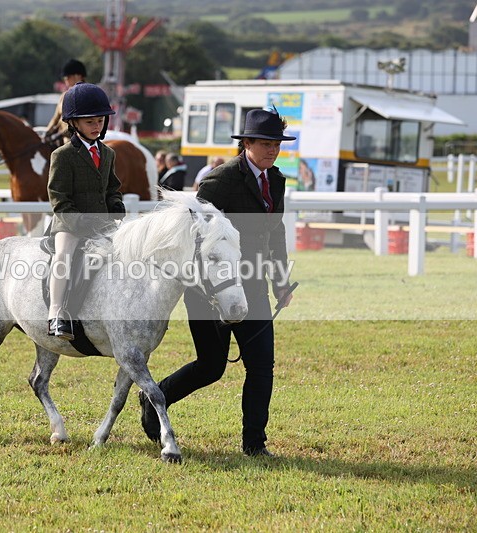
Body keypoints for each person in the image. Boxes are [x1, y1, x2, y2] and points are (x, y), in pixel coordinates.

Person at [139, 108, 295, 458]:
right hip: (211, 291)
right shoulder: (219, 181)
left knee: (261, 366)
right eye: (266, 143)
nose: (273, 150)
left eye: (277, 144)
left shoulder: (278, 181)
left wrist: (280, 282)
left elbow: (277, 232)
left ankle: (254, 444)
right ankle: (153, 396)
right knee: (210, 367)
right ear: (247, 143)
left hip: (253, 288)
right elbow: (193, 232)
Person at [47, 82, 125, 339]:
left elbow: (112, 189)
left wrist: (116, 208)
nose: (97, 126)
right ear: (74, 124)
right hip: (70, 224)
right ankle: (56, 314)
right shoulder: (63, 155)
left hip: (102, 224)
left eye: (100, 121)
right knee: (64, 257)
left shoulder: (108, 153)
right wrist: (80, 222)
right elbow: (58, 198)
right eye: (90, 122)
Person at [44, 58, 88, 147]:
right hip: (62, 140)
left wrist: (61, 133)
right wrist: (46, 133)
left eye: (68, 77)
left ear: (78, 76)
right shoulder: (64, 96)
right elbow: (55, 118)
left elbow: (81, 122)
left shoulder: (86, 95)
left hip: (79, 142)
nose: (65, 79)